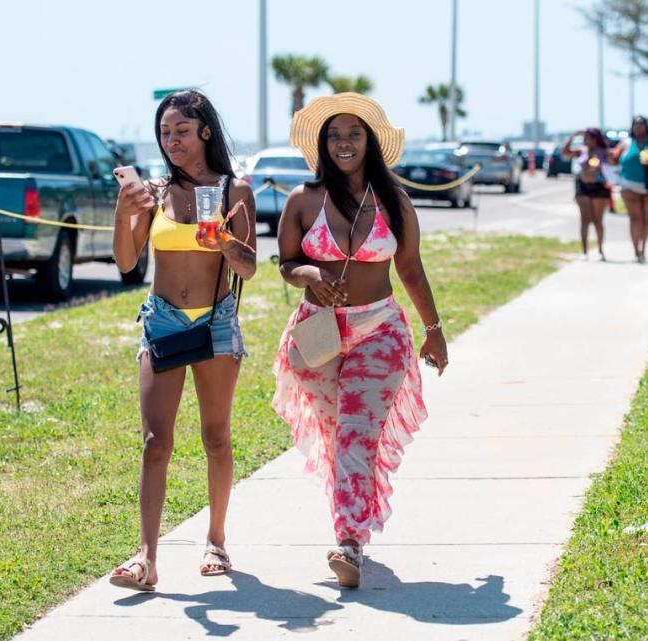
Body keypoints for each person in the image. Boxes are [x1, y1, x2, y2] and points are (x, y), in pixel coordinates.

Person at [272, 93, 448, 589]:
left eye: (353, 133)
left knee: (355, 435)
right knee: (335, 439)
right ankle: (352, 524)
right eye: (334, 135)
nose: (343, 142)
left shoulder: (395, 200)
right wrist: (307, 271)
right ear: (322, 145)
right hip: (318, 334)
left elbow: (410, 269)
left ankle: (348, 541)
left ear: (370, 140)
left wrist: (434, 332)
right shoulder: (303, 200)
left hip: (380, 333)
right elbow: (285, 263)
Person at [109, 90, 257, 591]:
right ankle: (146, 558)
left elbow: (249, 268)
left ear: (205, 133)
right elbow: (127, 264)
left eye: (182, 131)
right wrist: (122, 210)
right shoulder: (152, 193)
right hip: (164, 321)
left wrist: (227, 242)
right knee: (156, 442)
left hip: (215, 321)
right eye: (165, 132)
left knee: (216, 436)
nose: (172, 140)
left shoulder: (235, 191)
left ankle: (216, 539)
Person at [616, 116, 648, 263]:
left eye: (641, 124)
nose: (638, 127)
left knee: (647, 219)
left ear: (646, 126)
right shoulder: (625, 143)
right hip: (629, 185)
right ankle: (635, 251)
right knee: (635, 219)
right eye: (635, 125)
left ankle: (643, 248)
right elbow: (613, 159)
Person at [561, 128, 611, 261]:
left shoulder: (603, 152)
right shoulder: (581, 150)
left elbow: (613, 164)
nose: (588, 140)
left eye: (591, 137)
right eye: (587, 137)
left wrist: (602, 164)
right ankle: (584, 251)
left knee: (597, 220)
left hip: (599, 187)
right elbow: (565, 152)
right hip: (583, 187)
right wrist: (573, 136)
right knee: (585, 220)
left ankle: (600, 250)